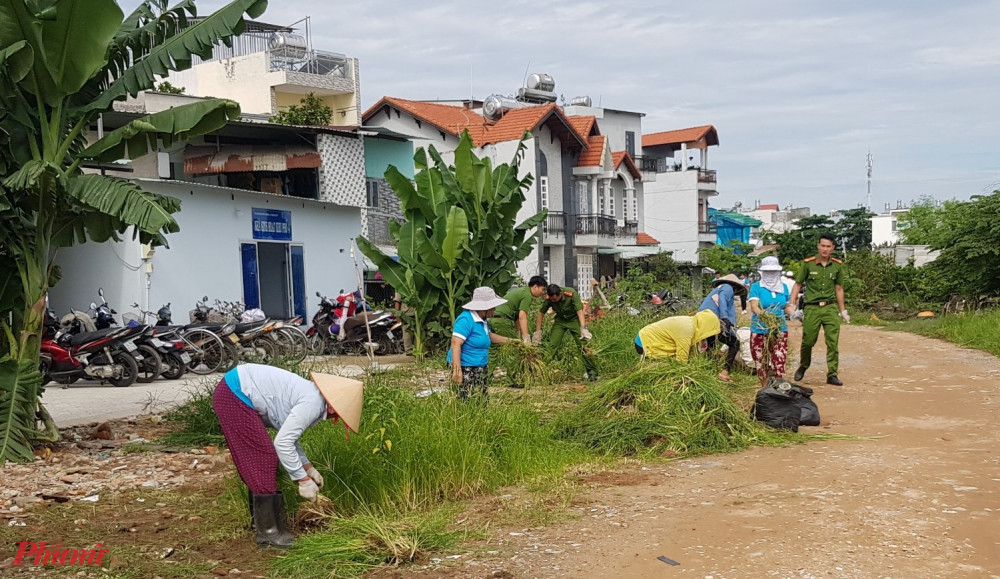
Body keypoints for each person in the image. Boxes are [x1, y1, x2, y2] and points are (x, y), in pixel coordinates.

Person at [212, 364, 363, 548]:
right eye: (340, 414)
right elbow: (282, 444)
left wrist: (308, 467)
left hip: (233, 389)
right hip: (234, 393)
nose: (336, 419)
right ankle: (268, 533)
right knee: (263, 458)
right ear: (334, 407)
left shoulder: (311, 396)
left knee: (259, 457)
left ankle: (260, 524)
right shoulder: (313, 403)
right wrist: (303, 480)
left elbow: (288, 436)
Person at [788, 234, 849, 386]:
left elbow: (839, 288)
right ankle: (803, 365)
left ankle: (832, 374)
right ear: (818, 246)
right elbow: (798, 284)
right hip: (812, 308)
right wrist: (792, 304)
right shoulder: (808, 264)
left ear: (833, 248)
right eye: (822, 245)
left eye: (828, 246)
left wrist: (843, 311)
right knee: (808, 341)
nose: (825, 249)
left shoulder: (837, 265)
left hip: (829, 307)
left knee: (833, 342)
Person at [448, 287, 513, 399]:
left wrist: (511, 341)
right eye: (493, 307)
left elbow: (488, 336)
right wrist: (457, 371)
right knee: (466, 398)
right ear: (485, 308)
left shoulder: (482, 320)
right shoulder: (466, 319)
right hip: (466, 366)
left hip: (480, 365)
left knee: (481, 398)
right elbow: (455, 344)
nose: (495, 310)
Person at [533, 284, 599, 381]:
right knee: (552, 345)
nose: (554, 301)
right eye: (552, 300)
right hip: (560, 321)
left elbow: (579, 311)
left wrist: (583, 328)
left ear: (560, 293)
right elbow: (541, 313)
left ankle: (592, 373)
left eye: (556, 299)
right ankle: (540, 371)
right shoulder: (549, 299)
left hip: (574, 320)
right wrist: (538, 332)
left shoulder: (570, 293)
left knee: (583, 345)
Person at [698, 273, 748, 382]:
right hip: (713, 319)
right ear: (736, 287)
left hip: (705, 318)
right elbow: (723, 301)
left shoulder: (719, 288)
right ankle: (725, 371)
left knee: (711, 344)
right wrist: (725, 318)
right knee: (734, 343)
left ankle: (709, 370)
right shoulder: (728, 287)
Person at [748, 257, 791, 382]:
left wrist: (795, 313)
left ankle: (778, 387)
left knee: (779, 359)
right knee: (761, 361)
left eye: (773, 272)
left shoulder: (784, 287)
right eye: (768, 272)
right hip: (760, 329)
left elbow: (787, 306)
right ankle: (765, 389)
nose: (771, 275)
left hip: (779, 329)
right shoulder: (757, 287)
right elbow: (754, 306)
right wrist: (766, 318)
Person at [634, 310, 721, 361]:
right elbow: (681, 359)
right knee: (659, 366)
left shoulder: (692, 323)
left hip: (646, 337)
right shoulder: (687, 329)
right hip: (644, 342)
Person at [491, 276, 548, 342]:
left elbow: (518, 318)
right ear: (535, 287)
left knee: (512, 344)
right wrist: (526, 338)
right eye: (543, 289)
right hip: (502, 321)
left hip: (495, 319)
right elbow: (522, 317)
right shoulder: (527, 295)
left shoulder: (524, 291)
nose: (543, 292)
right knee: (513, 346)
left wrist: (518, 335)